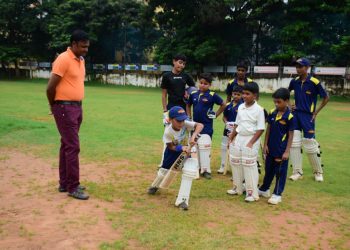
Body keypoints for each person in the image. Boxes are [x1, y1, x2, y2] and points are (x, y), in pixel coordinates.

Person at [46, 30, 90, 200]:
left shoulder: (81, 60)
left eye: (87, 46)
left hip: (77, 107)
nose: (86, 49)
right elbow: (50, 88)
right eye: (82, 46)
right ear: (73, 44)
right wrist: (54, 105)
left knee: (66, 145)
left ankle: (65, 182)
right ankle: (73, 186)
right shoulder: (63, 59)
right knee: (73, 146)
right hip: (64, 108)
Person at [147, 106, 203, 211]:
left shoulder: (185, 124)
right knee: (164, 171)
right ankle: (155, 186)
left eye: (183, 120)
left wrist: (193, 136)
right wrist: (181, 147)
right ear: (171, 119)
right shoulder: (168, 131)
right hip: (172, 152)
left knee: (188, 172)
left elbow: (200, 125)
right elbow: (170, 146)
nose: (181, 123)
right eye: (178, 121)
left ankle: (182, 200)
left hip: (186, 153)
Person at [288, 58, 329, 182]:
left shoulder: (314, 82)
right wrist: (290, 105)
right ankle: (297, 172)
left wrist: (316, 112)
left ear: (307, 68)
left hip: (308, 116)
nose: (298, 69)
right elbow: (286, 94)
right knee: (294, 143)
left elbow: (326, 97)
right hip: (295, 115)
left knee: (310, 143)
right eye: (297, 66)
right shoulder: (294, 81)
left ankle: (318, 172)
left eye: (300, 66)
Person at [227, 82, 265, 202]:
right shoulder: (241, 106)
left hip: (251, 138)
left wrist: (251, 143)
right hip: (239, 137)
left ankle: (252, 193)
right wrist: (232, 137)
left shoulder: (259, 110)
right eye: (243, 93)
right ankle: (237, 188)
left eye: (247, 94)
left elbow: (260, 128)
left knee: (249, 165)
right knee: (235, 161)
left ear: (255, 95)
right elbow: (237, 123)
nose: (244, 96)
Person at [258, 88, 295, 205]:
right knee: (268, 170)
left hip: (281, 149)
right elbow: (268, 130)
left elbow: (291, 135)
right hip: (270, 148)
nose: (276, 104)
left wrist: (287, 151)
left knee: (279, 172)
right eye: (275, 101)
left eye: (279, 102)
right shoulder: (272, 112)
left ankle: (277, 194)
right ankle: (265, 189)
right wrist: (265, 145)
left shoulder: (290, 117)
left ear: (287, 101)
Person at [186, 73, 226, 179]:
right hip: (194, 125)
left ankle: (206, 170)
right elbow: (188, 104)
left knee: (205, 146)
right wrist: (189, 117)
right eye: (201, 83)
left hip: (207, 126)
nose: (203, 85)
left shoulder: (212, 95)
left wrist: (216, 115)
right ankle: (196, 167)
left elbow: (223, 104)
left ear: (210, 85)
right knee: (195, 146)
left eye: (206, 84)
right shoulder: (193, 93)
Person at [161, 54, 196, 125]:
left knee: (184, 129)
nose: (182, 65)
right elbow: (164, 94)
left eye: (184, 64)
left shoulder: (186, 76)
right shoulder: (166, 76)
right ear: (174, 61)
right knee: (169, 128)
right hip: (171, 106)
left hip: (183, 107)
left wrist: (187, 92)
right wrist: (165, 110)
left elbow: (193, 88)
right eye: (180, 62)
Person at [217, 85, 243, 174]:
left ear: (242, 95)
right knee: (224, 147)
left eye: (238, 94)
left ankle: (234, 168)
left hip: (238, 132)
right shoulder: (228, 105)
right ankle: (223, 166)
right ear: (232, 94)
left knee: (235, 148)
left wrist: (235, 127)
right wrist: (227, 122)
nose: (236, 96)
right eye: (234, 94)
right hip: (227, 130)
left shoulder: (243, 106)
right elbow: (224, 117)